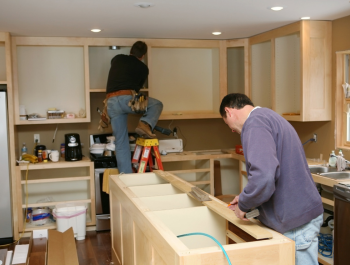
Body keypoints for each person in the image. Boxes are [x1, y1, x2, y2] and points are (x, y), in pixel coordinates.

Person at [220, 93, 323, 265]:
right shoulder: (269, 116)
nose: (231, 129)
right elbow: (270, 174)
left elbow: (264, 177)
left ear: (228, 111)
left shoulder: (254, 124)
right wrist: (246, 197)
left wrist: (244, 205)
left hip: (295, 222)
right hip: (298, 216)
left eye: (227, 124)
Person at [106, 41, 163, 174]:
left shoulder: (118, 58)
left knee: (121, 143)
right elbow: (136, 91)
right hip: (127, 99)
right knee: (156, 104)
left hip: (111, 103)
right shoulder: (143, 69)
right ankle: (145, 124)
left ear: (130, 51)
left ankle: (126, 176)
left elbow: (115, 66)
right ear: (143, 56)